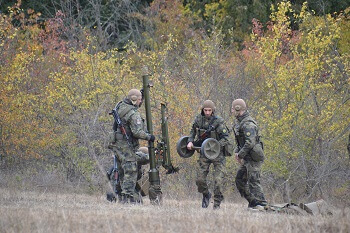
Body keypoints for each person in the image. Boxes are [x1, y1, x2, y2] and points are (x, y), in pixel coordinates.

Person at [108, 89, 155, 204]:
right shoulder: (133, 113)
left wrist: (141, 94)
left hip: (117, 145)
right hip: (126, 146)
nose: (140, 102)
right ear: (134, 100)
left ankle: (121, 196)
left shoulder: (121, 106)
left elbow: (134, 100)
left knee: (122, 171)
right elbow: (137, 132)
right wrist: (149, 137)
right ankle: (127, 198)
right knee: (131, 171)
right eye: (139, 100)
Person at [187, 100, 231, 209]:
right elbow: (192, 131)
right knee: (200, 180)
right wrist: (190, 141)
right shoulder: (198, 120)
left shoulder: (219, 122)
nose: (207, 112)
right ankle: (206, 194)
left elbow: (226, 138)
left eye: (209, 110)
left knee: (218, 180)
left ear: (213, 110)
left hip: (218, 154)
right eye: (205, 110)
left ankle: (216, 204)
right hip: (204, 153)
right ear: (202, 110)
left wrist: (215, 146)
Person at [231, 98, 267, 208]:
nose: (231, 111)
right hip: (247, 157)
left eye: (233, 108)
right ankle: (253, 203)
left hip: (254, 158)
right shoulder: (240, 122)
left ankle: (262, 205)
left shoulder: (248, 124)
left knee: (254, 181)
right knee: (240, 180)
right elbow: (241, 142)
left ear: (238, 109)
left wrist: (240, 154)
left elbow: (250, 142)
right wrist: (237, 152)